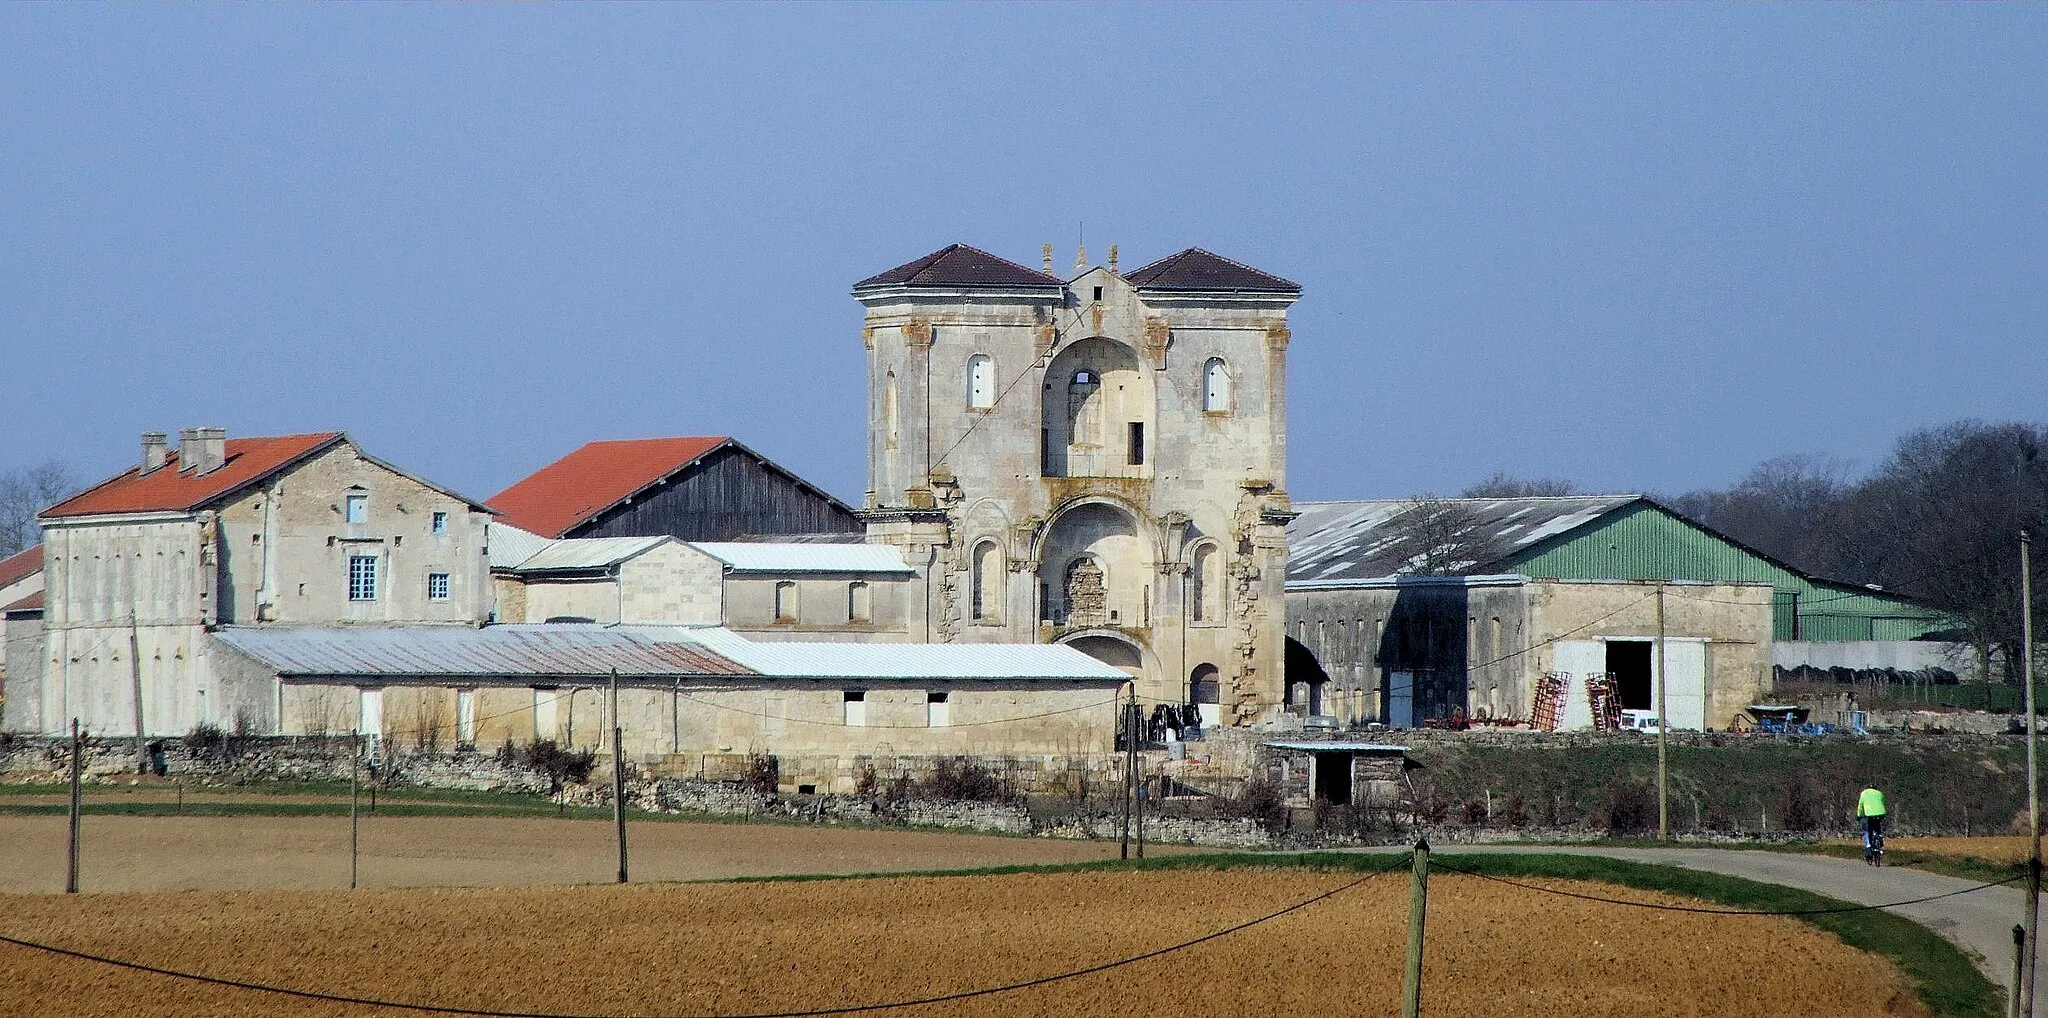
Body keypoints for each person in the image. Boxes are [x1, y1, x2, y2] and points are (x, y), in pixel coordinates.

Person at [1856, 784, 1887, 857]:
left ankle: (1868, 846)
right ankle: (1879, 837)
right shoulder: (1880, 793)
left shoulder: (1864, 793)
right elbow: (1882, 803)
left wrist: (1859, 816)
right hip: (1881, 813)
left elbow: (1860, 806)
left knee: (1867, 831)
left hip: (1869, 814)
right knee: (1877, 826)